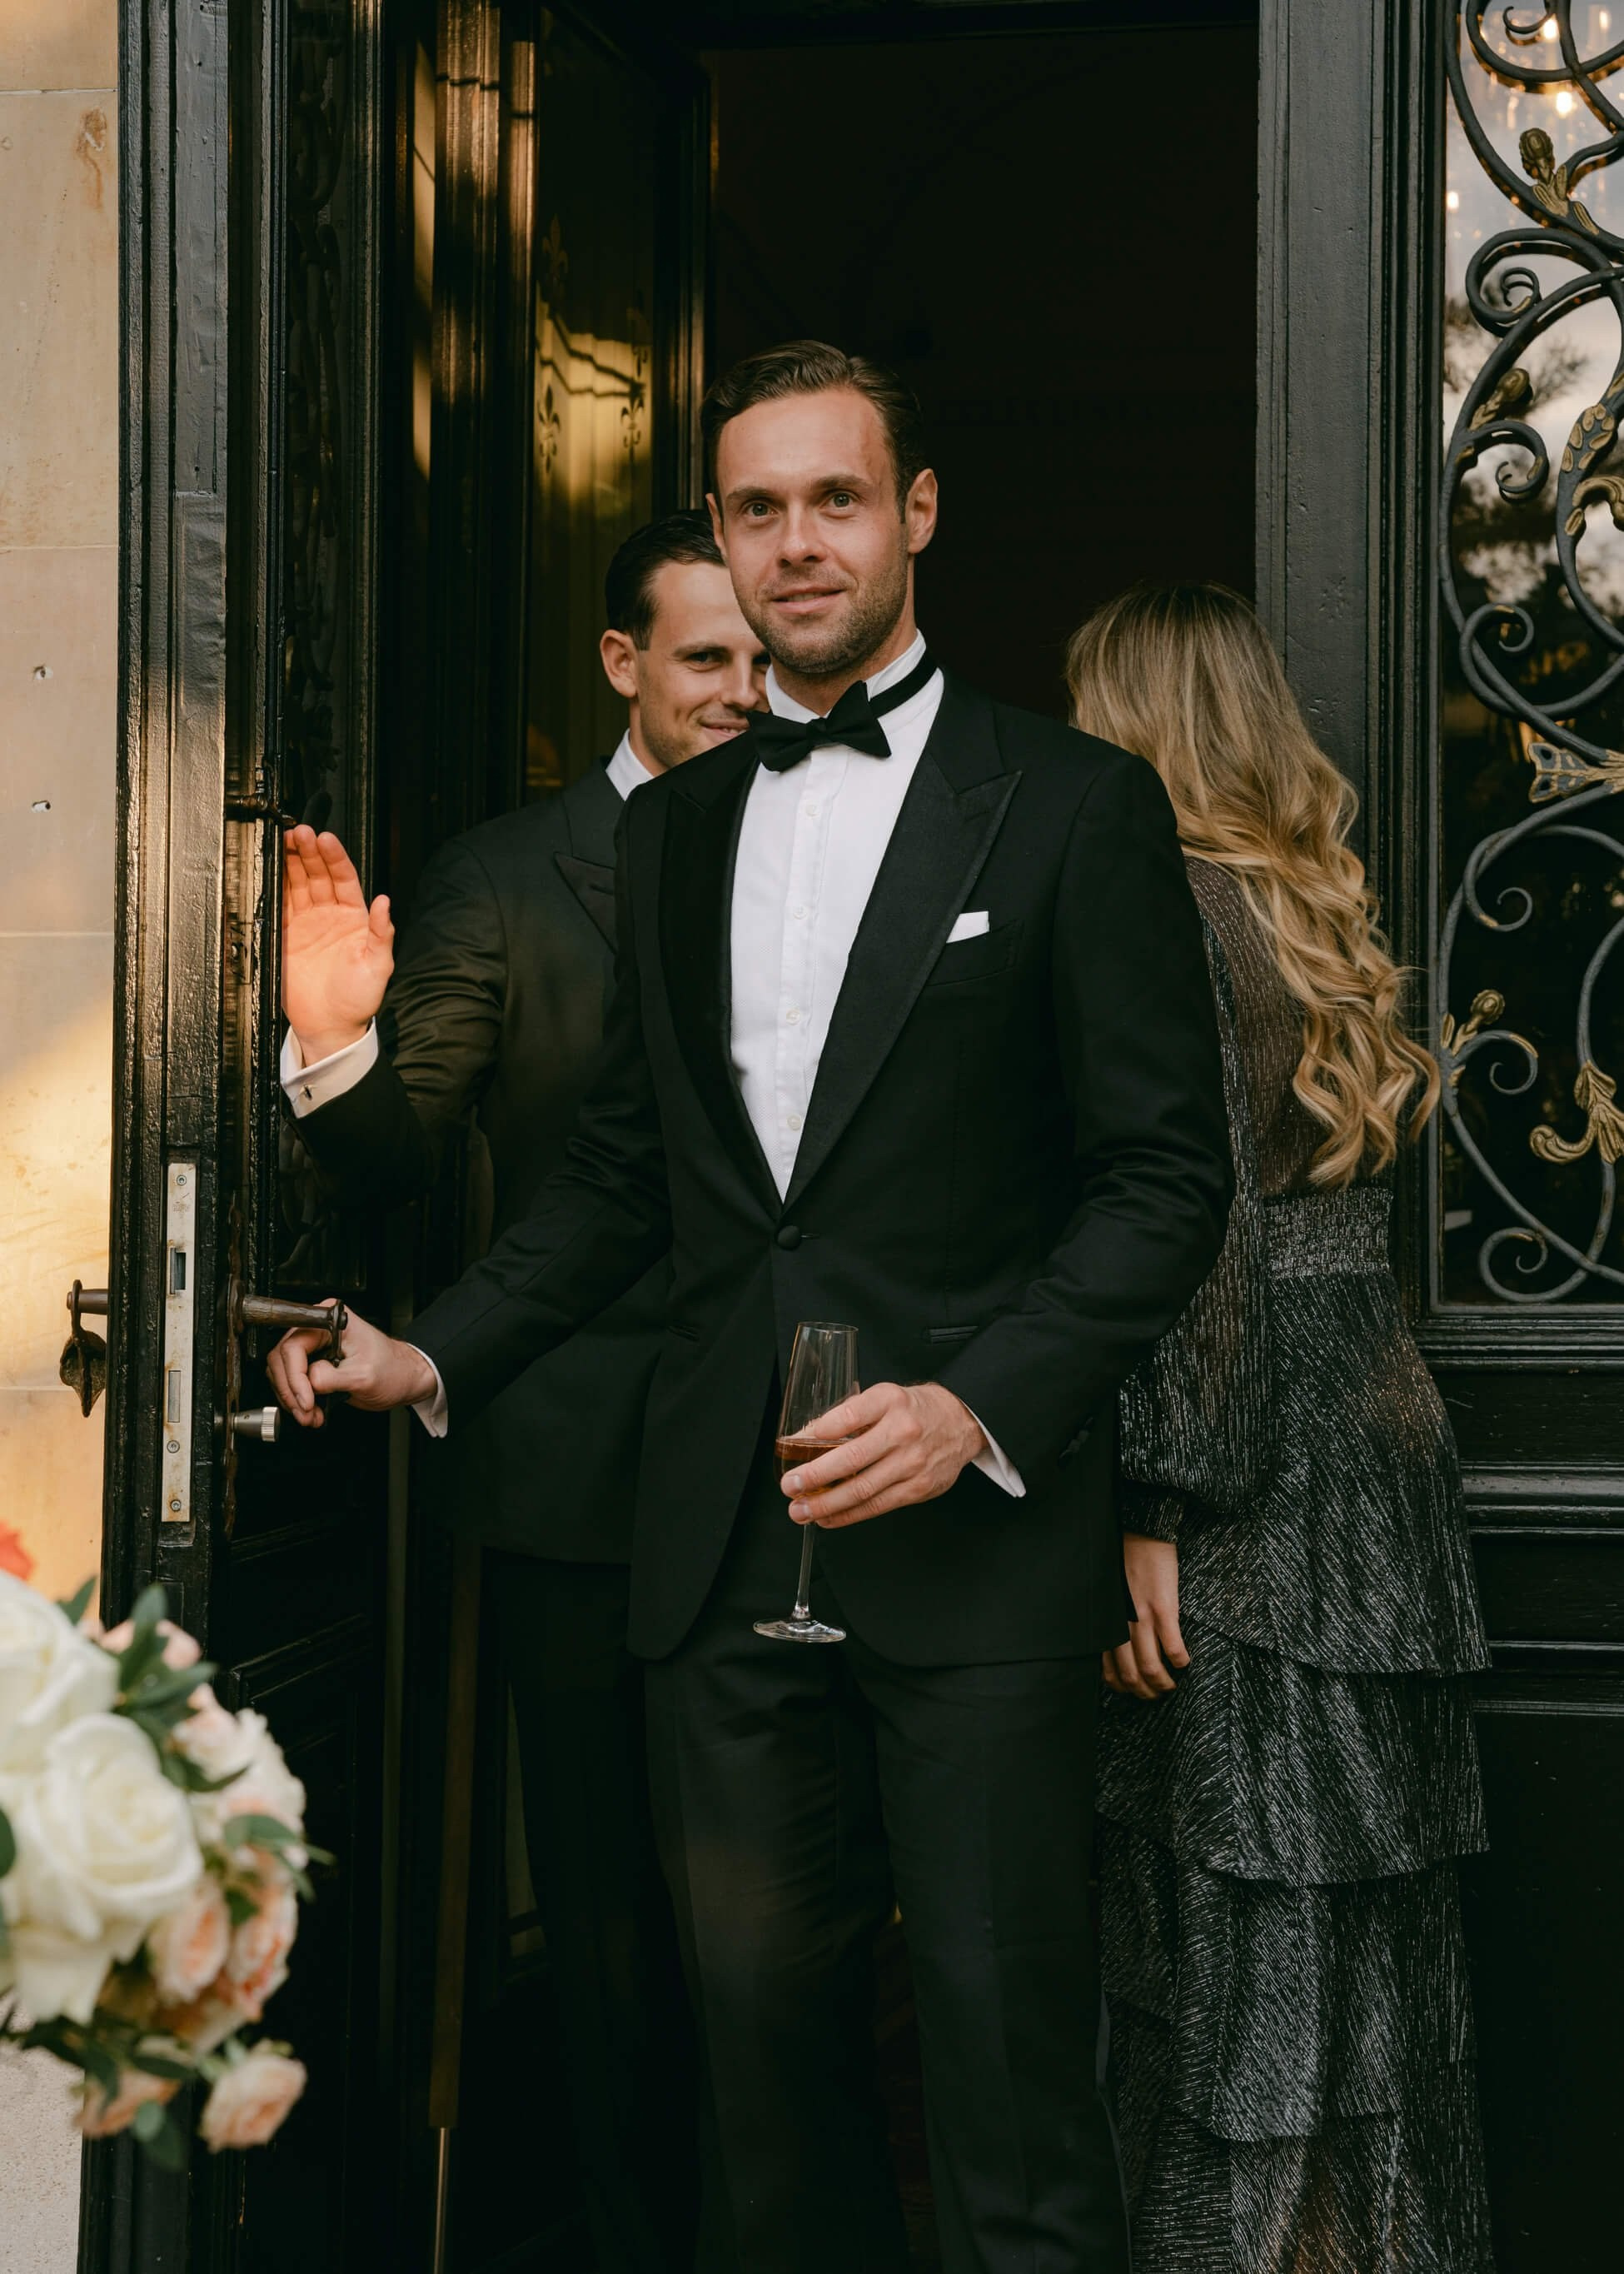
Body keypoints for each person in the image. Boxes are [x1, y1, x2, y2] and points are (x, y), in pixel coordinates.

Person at [270, 342, 1234, 2274]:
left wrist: (979, 1406)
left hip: (971, 1558)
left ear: (918, 513)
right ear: (719, 532)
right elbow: (633, 1176)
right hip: (718, 1561)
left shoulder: (1070, 808)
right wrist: (436, 1346)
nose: (799, 544)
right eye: (760, 508)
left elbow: (1163, 1187)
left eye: (838, 499)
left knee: (1003, 2086)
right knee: (764, 2103)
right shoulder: (670, 832)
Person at [278, 508, 769, 2274]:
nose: (741, 688)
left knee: (788, 1925)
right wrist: (334, 1041)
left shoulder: (833, 838)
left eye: (762, 659)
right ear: (625, 663)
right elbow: (404, 1158)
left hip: (816, 1462)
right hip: (585, 1477)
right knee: (621, 1934)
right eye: (703, 657)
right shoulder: (505, 876)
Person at [1069, 583, 1495, 2273]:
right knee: (1354, 1942)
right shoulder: (1311, 905)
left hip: (1247, 1461)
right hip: (1375, 1438)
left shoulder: (1166, 909)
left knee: (1246, 1936)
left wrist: (1154, 1496)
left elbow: (1203, 1230)